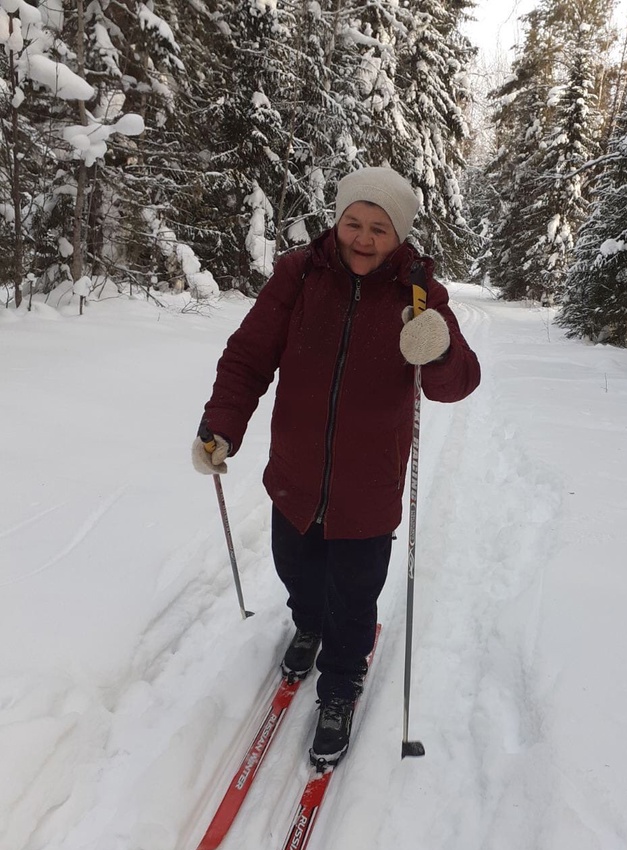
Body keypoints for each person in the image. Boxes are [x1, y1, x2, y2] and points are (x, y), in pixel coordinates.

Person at [192, 166, 480, 767]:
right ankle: (308, 622)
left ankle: (342, 680)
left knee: (354, 594)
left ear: (398, 234)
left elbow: (455, 385)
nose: (363, 238)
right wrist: (222, 424)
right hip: (295, 476)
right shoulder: (300, 276)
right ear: (337, 220)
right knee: (297, 568)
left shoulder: (418, 292)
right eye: (354, 222)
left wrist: (441, 345)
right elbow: (249, 355)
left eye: (380, 228)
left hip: (367, 487)